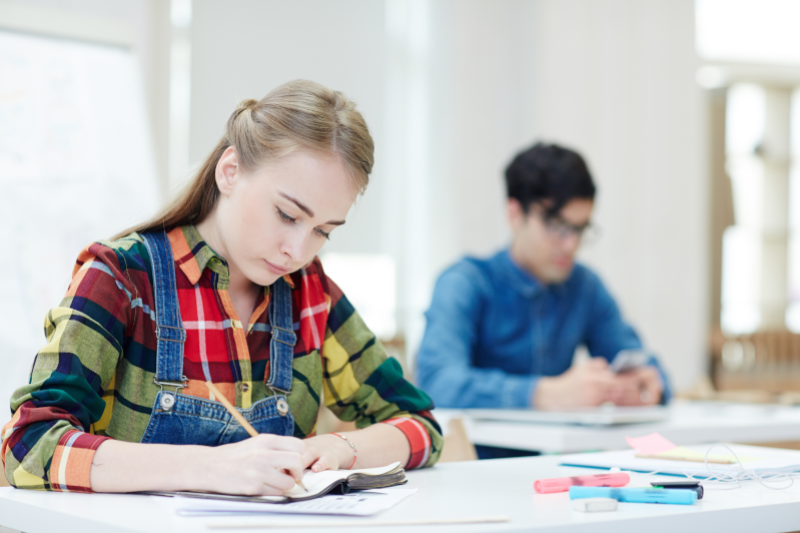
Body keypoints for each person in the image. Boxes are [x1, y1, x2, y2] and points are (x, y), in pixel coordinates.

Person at [1, 80, 441, 494]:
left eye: (323, 230)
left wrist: (335, 449)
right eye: (287, 215)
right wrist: (212, 468)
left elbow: (420, 426)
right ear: (230, 171)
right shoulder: (121, 275)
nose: (297, 249)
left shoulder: (311, 292)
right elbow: (28, 445)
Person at [416, 142, 670, 459]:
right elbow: (437, 383)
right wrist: (546, 394)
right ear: (514, 214)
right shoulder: (465, 282)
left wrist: (647, 386)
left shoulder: (585, 286)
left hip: (557, 471)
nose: (571, 244)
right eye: (557, 226)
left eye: (580, 229)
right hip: (471, 471)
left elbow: (643, 364)